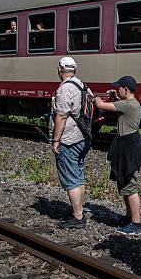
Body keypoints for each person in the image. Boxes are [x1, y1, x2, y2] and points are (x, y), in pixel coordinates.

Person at [94, 75, 141, 236]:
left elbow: (101, 104)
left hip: (129, 148)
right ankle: (129, 217)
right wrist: (115, 97)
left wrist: (97, 98)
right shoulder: (130, 103)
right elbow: (119, 103)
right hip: (126, 146)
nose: (117, 90)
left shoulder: (129, 105)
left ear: (125, 89)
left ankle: (136, 224)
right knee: (124, 183)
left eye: (119, 88)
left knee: (130, 186)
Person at [50, 56, 92, 229]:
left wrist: (56, 140)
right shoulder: (82, 85)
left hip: (69, 139)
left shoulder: (64, 89)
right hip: (83, 137)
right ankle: (79, 210)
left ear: (60, 69)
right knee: (78, 176)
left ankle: (78, 217)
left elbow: (61, 116)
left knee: (71, 179)